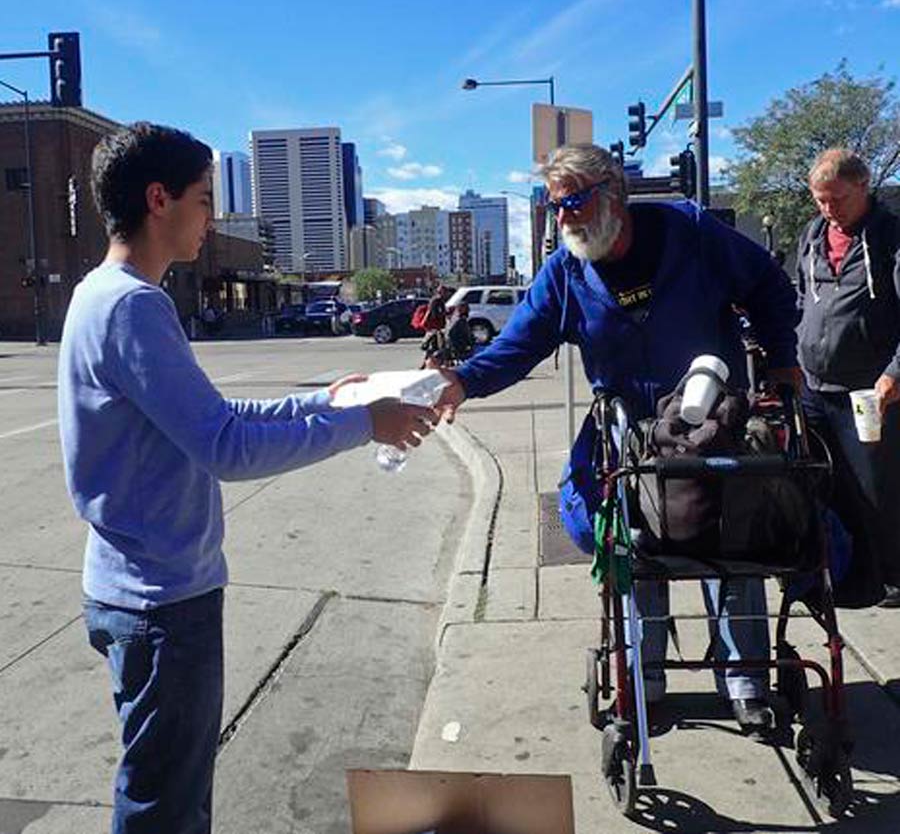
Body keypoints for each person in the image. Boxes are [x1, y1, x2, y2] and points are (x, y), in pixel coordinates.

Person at [57, 121, 437, 834]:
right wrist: (364, 424)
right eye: (205, 198)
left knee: (166, 791)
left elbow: (209, 414)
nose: (212, 215)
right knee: (164, 808)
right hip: (160, 602)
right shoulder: (133, 306)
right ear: (159, 199)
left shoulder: (100, 295)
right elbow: (227, 449)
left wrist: (323, 399)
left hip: (138, 590)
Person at [436, 143, 801, 733]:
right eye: (555, 207)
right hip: (628, 431)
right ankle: (645, 680)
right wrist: (460, 382)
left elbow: (768, 286)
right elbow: (517, 347)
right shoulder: (567, 271)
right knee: (632, 542)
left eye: (573, 201)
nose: (563, 218)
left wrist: (782, 360)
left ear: (613, 192)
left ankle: (746, 680)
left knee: (731, 541)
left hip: (712, 422)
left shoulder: (693, 232)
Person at [796, 148, 900, 608]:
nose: (828, 209)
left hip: (869, 389)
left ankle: (892, 576)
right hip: (814, 386)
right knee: (825, 485)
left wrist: (895, 372)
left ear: (863, 186)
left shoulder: (889, 236)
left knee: (876, 489)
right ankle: (844, 573)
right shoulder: (814, 235)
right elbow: (799, 296)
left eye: (836, 198)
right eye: (820, 200)